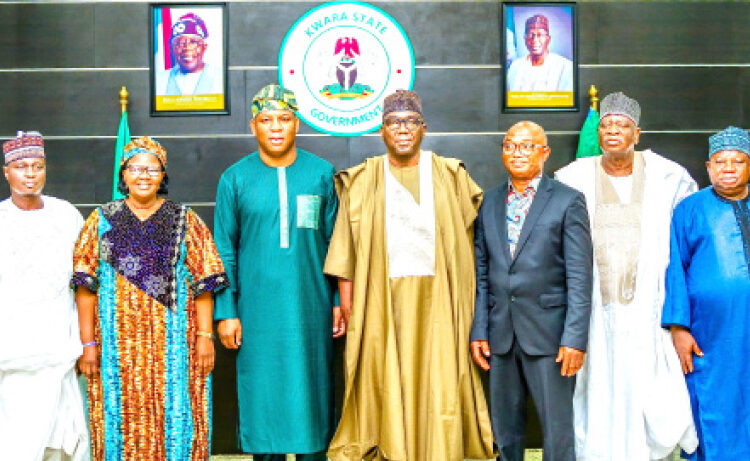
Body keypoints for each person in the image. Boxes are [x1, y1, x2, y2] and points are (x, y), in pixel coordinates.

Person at [324, 89, 495, 461]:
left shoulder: (450, 175)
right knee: (384, 378)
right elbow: (346, 251)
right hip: (380, 303)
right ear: (382, 131)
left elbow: (477, 245)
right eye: (393, 122)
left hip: (441, 303)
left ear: (423, 128)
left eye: (410, 122)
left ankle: (441, 448)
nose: (402, 129)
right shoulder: (363, 179)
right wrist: (350, 306)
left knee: (441, 377)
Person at [555, 91, 699, 460]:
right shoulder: (572, 177)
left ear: (637, 134)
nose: (613, 131)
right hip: (595, 315)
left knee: (651, 395)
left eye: (622, 125)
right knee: (598, 392)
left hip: (650, 310)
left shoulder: (669, 177)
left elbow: (688, 242)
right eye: (606, 125)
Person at [73, 136, 228, 460]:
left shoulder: (185, 220)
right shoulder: (101, 220)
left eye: (152, 169)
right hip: (115, 351)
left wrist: (204, 336)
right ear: (124, 174)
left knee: (179, 420)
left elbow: (204, 283)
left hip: (175, 349)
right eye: (136, 168)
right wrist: (87, 345)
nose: (144, 175)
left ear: (163, 175)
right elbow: (85, 286)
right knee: (117, 422)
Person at [213, 84, 340, 461]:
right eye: (266, 120)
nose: (275, 128)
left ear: (296, 124)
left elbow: (338, 246)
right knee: (264, 399)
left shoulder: (321, 174)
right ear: (253, 126)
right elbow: (224, 251)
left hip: (311, 309)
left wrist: (336, 302)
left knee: (310, 397)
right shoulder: (234, 179)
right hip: (256, 313)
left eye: (284, 119)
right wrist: (227, 312)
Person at [470, 121, 593, 461]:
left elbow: (581, 276)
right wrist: (480, 328)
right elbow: (481, 272)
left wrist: (574, 338)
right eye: (510, 145)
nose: (517, 153)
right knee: (505, 432)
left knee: (556, 431)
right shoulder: (489, 201)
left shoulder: (568, 201)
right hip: (500, 334)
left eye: (526, 146)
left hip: (551, 335)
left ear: (545, 153)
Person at [0, 131, 89, 461]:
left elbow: (84, 277)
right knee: (17, 444)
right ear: (6, 171)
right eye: (21, 166)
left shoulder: (65, 215)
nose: (30, 174)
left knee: (63, 443)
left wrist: (84, 341)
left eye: (37, 166)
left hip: (59, 347)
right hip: (13, 354)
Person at [662, 126, 750, 460]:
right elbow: (675, 271)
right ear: (708, 167)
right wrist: (679, 328)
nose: (728, 168)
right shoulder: (690, 209)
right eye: (720, 162)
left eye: (738, 161)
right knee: (714, 401)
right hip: (709, 335)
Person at [156, 12, 222, 96]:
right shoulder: (159, 80)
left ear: (204, 47)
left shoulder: (221, 77)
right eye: (180, 43)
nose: (187, 48)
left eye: (194, 42)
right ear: (172, 48)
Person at [507, 14, 574, 92]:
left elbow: (566, 101)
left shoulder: (565, 67)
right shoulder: (515, 66)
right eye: (530, 35)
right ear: (525, 39)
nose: (535, 40)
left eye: (540, 35)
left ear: (548, 39)